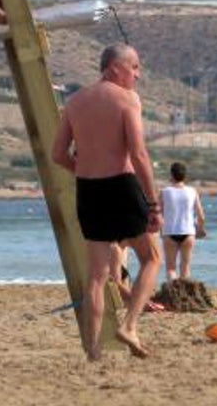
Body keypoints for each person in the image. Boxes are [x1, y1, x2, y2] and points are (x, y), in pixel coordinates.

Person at [52, 43, 163, 360]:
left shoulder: (75, 102)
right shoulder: (127, 99)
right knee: (152, 258)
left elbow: (58, 154)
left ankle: (92, 350)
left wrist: (84, 169)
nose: (138, 75)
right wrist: (153, 203)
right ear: (115, 67)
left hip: (89, 190)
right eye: (135, 67)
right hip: (121, 185)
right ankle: (129, 325)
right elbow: (139, 154)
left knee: (97, 277)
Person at [160, 161, 205, 281]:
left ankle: (173, 294)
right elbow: (201, 216)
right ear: (185, 175)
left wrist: (159, 230)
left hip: (169, 232)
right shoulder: (192, 191)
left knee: (170, 268)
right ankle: (184, 295)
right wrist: (200, 229)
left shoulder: (164, 192)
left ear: (171, 174)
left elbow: (159, 213)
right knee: (185, 267)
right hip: (188, 232)